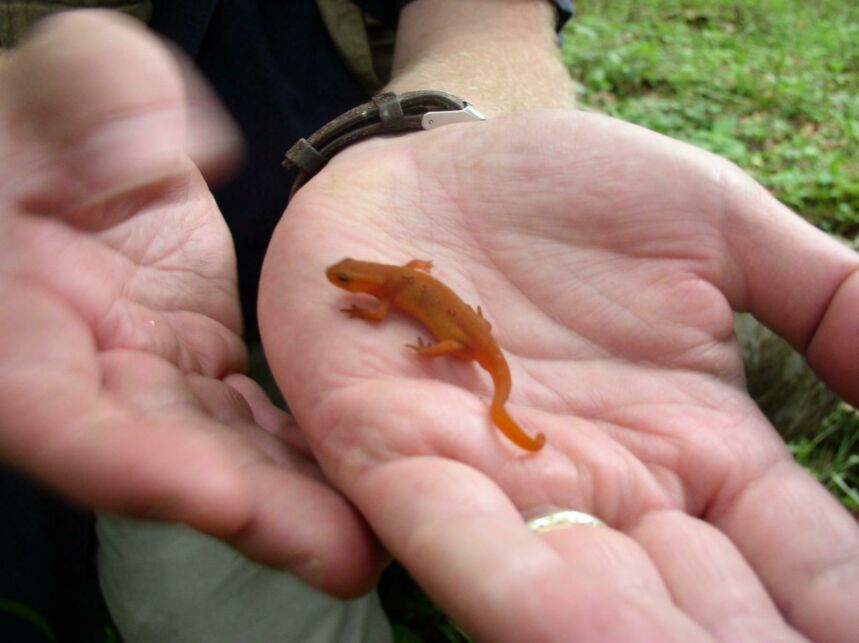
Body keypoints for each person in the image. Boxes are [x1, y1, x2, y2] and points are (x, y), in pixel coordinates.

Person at [0, 3, 857, 643]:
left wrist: (422, 147)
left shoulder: (380, 281)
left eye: (348, 278)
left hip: (462, 322)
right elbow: (387, 282)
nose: (349, 283)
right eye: (349, 281)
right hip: (141, 328)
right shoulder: (376, 279)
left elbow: (393, 275)